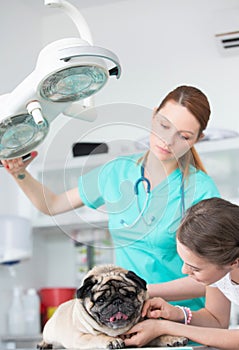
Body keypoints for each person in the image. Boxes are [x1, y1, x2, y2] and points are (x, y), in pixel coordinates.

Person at [2, 85, 220, 311]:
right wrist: (19, 173)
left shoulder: (201, 190)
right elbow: (53, 204)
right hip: (129, 316)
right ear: (154, 116)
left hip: (182, 321)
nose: (168, 141)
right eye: (164, 126)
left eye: (183, 136)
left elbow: (213, 278)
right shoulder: (116, 172)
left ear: (197, 139)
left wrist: (145, 291)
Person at [123, 197, 239, 350]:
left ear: (233, 262)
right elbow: (216, 321)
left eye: (195, 268)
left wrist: (165, 327)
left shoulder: (224, 258)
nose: (183, 271)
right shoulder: (222, 267)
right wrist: (177, 314)